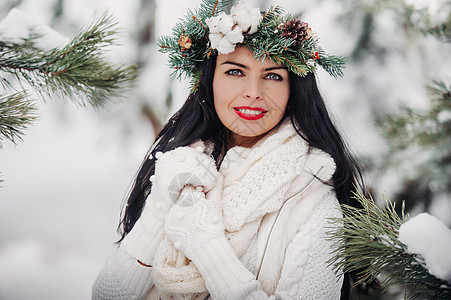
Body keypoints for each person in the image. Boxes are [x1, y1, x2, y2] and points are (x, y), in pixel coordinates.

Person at [92, 1, 365, 299]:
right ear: (209, 82)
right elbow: (106, 295)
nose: (253, 92)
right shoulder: (186, 163)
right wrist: (159, 208)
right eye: (235, 71)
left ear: (294, 91)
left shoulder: (312, 203)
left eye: (273, 76)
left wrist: (208, 246)